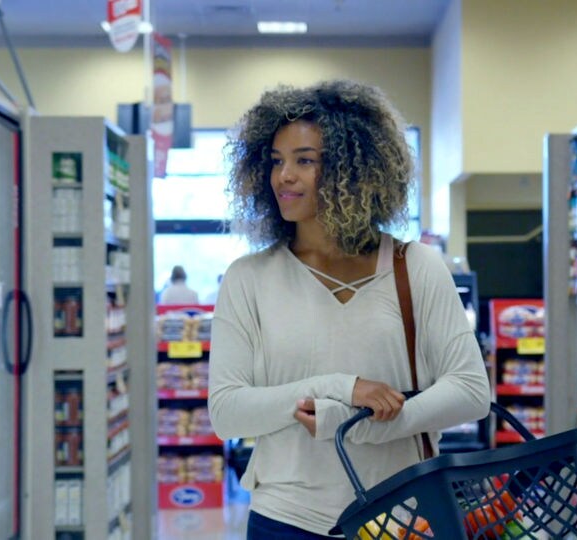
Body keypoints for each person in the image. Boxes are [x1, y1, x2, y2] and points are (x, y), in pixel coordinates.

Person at [208, 79, 491, 539]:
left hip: (403, 517)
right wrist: (340, 388)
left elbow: (470, 390)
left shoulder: (414, 267)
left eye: (305, 161)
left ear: (352, 171)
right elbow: (227, 412)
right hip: (285, 519)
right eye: (277, 161)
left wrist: (366, 427)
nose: (284, 176)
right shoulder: (248, 278)